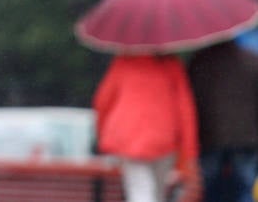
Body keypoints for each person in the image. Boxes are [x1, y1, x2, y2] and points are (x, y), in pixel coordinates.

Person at [93, 52, 200, 202]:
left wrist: (102, 134)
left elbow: (102, 101)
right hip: (164, 138)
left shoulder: (124, 62)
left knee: (140, 191)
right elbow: (185, 108)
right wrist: (189, 150)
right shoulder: (170, 64)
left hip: (129, 138)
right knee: (157, 192)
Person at [187, 40, 258, 202]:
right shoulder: (251, 60)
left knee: (208, 187)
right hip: (247, 136)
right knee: (246, 186)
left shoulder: (199, 62)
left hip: (209, 135)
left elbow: (191, 100)